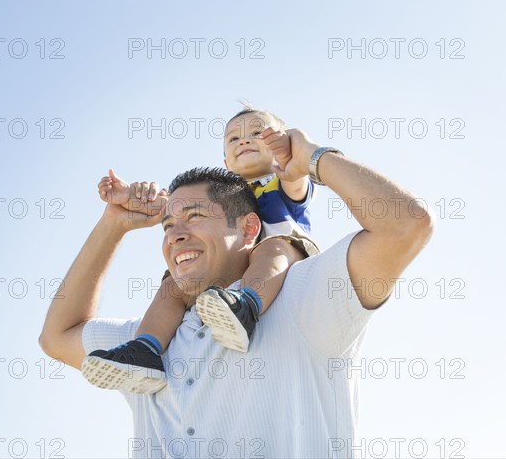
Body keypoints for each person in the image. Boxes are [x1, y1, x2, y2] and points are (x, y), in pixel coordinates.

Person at [39, 127, 434, 458]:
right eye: (168, 226)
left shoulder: (304, 299)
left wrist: (313, 158)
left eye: (194, 217)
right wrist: (114, 223)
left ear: (247, 229)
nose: (175, 235)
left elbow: (405, 226)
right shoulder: (147, 341)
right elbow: (57, 336)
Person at [81, 106, 321, 393]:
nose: (243, 141)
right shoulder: (225, 193)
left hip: (286, 257)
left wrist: (292, 157)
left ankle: (245, 307)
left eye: (257, 133)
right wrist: (133, 197)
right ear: (225, 162)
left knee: (274, 248)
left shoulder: (283, 181)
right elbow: (174, 206)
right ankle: (146, 349)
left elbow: (296, 178)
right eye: (233, 139)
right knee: (173, 285)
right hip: (236, 263)